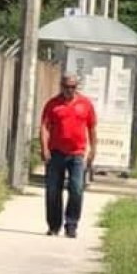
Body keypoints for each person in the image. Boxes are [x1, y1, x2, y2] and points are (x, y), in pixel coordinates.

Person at [40, 73, 97, 238]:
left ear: (76, 87)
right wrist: (44, 148)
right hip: (56, 152)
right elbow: (44, 126)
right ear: (61, 86)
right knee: (52, 190)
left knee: (77, 189)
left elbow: (92, 128)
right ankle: (53, 225)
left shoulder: (85, 104)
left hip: (77, 154)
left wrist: (93, 150)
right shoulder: (53, 104)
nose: (69, 90)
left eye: (73, 87)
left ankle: (71, 224)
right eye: (66, 87)